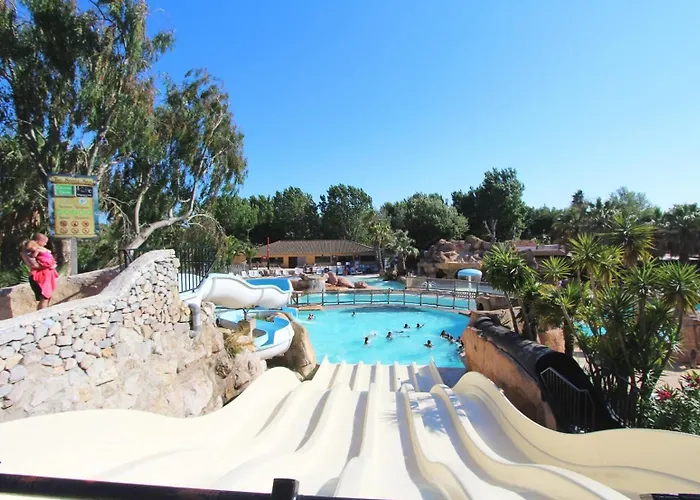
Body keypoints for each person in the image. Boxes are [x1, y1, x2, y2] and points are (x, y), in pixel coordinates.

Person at [24, 236, 58, 310]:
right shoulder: (29, 251)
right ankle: (42, 314)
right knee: (44, 297)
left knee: (47, 297)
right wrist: (49, 265)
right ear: (38, 241)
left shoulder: (42, 250)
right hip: (39, 277)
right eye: (44, 242)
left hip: (46, 277)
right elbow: (34, 265)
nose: (45, 244)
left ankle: (44, 312)